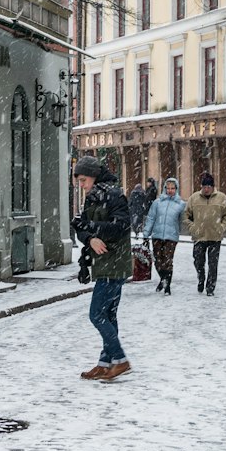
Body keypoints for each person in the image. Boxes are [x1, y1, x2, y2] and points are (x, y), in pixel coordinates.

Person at [71, 156, 133, 381]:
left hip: (115, 263)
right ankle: (106, 363)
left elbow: (122, 227)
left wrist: (93, 230)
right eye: (79, 182)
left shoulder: (114, 195)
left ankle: (120, 359)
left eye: (84, 180)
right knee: (108, 315)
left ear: (94, 176)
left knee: (96, 314)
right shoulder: (93, 197)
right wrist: (90, 239)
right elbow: (81, 227)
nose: (82, 185)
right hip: (103, 263)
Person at [186, 172, 226, 296]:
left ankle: (210, 287)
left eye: (208, 187)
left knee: (213, 264)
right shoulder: (194, 198)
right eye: (204, 187)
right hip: (199, 236)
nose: (206, 189)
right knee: (198, 261)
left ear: (213, 187)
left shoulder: (221, 198)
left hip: (215, 237)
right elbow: (185, 216)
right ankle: (201, 278)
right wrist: (192, 227)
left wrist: (222, 227)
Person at [142, 177, 188, 295]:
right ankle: (163, 279)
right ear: (164, 189)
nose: (170, 190)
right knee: (158, 261)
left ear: (176, 189)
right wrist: (146, 234)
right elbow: (151, 218)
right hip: (157, 235)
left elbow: (185, 220)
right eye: (168, 188)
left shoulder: (181, 204)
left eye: (172, 188)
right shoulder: (157, 203)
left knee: (167, 261)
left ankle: (167, 286)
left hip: (171, 237)